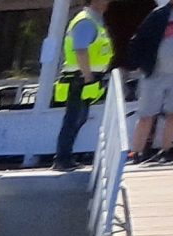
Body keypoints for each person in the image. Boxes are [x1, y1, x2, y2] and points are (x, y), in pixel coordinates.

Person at [53, 0, 114, 168]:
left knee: (79, 117)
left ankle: (65, 157)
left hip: (84, 77)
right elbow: (80, 50)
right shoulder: (86, 21)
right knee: (74, 118)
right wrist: (88, 76)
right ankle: (62, 159)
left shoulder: (95, 20)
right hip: (79, 78)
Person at [129, 0, 173, 160]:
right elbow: (139, 39)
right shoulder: (159, 14)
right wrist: (140, 64)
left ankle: (165, 150)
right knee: (146, 115)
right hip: (155, 73)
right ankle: (135, 152)